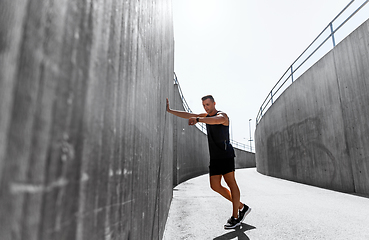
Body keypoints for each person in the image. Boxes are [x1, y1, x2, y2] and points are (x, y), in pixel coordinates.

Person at [166, 95, 251, 229]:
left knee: (231, 183)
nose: (206, 107)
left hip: (226, 155)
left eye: (208, 104)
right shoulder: (206, 116)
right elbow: (189, 114)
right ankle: (241, 206)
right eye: (204, 105)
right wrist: (170, 111)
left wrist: (199, 119)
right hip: (215, 157)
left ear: (214, 103)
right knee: (215, 185)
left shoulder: (222, 116)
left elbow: (217, 121)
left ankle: (236, 217)